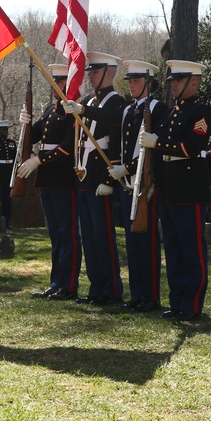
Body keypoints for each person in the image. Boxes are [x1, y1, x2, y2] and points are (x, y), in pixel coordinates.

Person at [139, 59, 211, 322]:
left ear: (194, 82)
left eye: (179, 81)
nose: (173, 86)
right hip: (169, 189)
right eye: (172, 81)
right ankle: (178, 302)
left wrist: (158, 142)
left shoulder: (200, 113)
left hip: (189, 189)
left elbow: (191, 148)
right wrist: (154, 184)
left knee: (191, 249)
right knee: (172, 248)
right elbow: (162, 155)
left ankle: (193, 305)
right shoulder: (173, 112)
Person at [62, 51, 126, 306]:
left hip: (101, 176)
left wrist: (108, 181)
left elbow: (113, 123)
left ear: (109, 73)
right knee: (89, 236)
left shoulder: (115, 101)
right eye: (90, 72)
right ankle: (96, 287)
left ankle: (111, 289)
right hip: (84, 176)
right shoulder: (89, 99)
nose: (91, 77)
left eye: (96, 72)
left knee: (103, 237)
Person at [17, 63, 81, 301]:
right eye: (54, 81)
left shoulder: (73, 111)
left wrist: (39, 160)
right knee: (55, 234)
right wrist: (24, 121)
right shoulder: (49, 109)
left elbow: (67, 147)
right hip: (47, 180)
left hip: (64, 178)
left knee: (68, 234)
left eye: (61, 81)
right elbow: (33, 135)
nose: (57, 86)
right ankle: (56, 282)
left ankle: (69, 285)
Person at [111, 60, 169, 313]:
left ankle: (151, 297)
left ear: (148, 83)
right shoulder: (128, 110)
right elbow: (123, 146)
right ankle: (136, 295)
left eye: (136, 81)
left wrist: (136, 172)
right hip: (129, 184)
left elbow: (156, 151)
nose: (131, 85)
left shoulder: (159, 109)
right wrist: (120, 171)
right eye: (130, 81)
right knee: (132, 242)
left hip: (146, 184)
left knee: (147, 242)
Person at [0, 120, 18, 232]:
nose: (6, 131)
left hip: (9, 173)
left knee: (8, 200)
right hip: (0, 174)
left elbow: (16, 156)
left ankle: (7, 222)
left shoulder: (11, 143)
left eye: (7, 129)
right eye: (3, 129)